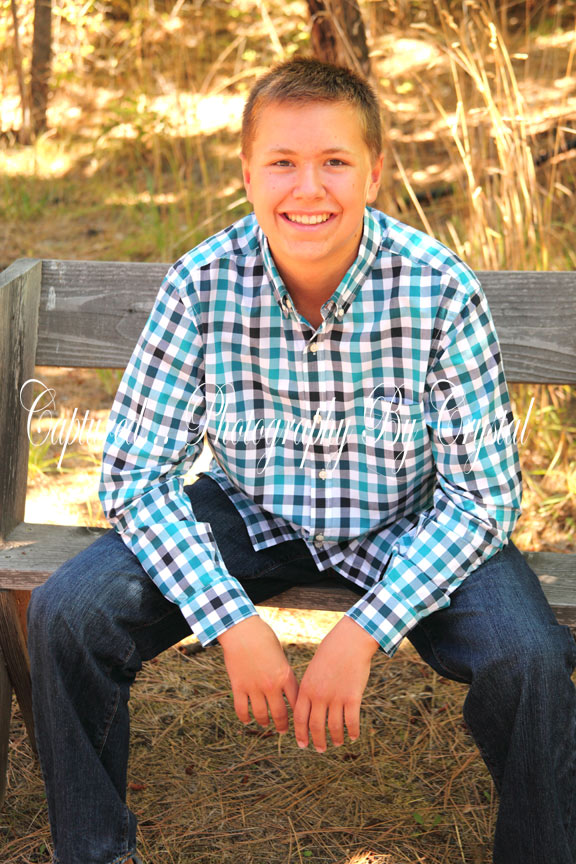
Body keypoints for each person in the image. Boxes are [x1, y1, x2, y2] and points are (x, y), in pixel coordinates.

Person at [28, 57, 576, 864]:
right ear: (248, 173)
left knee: (527, 658)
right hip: (254, 509)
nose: (308, 189)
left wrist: (365, 630)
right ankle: (95, 852)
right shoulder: (201, 285)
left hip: (412, 516)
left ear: (374, 172)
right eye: (282, 162)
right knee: (67, 613)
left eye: (335, 162)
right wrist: (229, 617)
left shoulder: (438, 290)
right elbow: (136, 477)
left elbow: (484, 500)